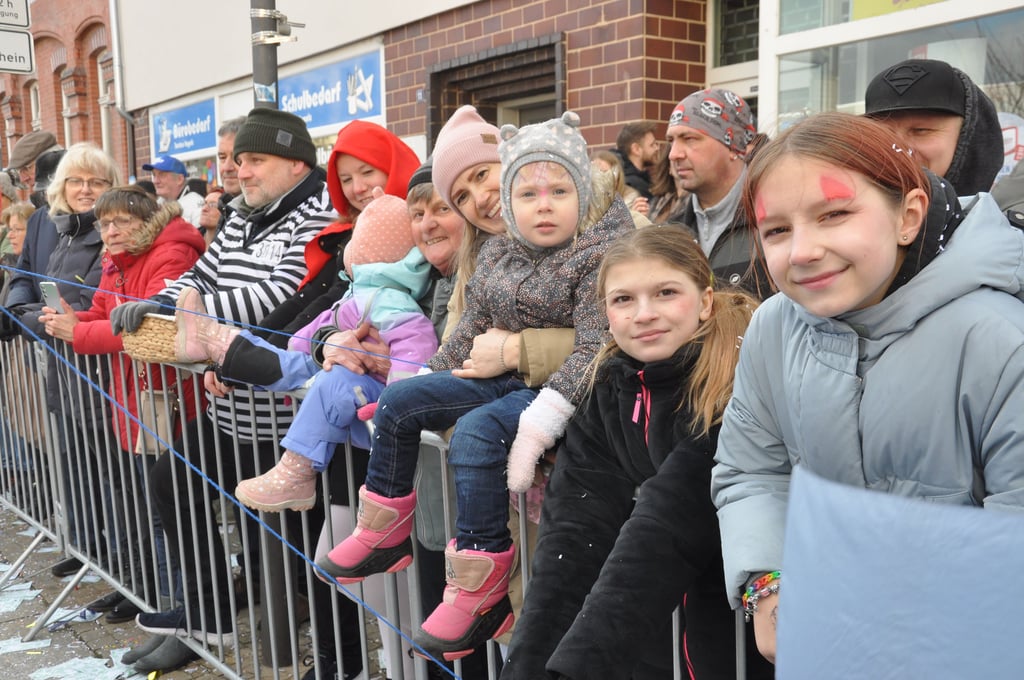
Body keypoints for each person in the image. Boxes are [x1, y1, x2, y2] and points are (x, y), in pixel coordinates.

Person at [710, 112, 1024, 664]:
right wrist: (768, 584)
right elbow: (751, 470)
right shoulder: (774, 327)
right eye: (777, 230)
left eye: (834, 215)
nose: (802, 250)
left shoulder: (1000, 340)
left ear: (908, 216)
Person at [318, 111, 634, 660]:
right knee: (399, 400)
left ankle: (481, 583)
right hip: (504, 386)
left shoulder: (605, 247)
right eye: (463, 194)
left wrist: (532, 397)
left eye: (483, 177)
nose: (479, 199)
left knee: (477, 436)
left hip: (564, 403)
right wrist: (418, 391)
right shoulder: (496, 252)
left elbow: (600, 343)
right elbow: (465, 332)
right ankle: (384, 529)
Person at [108, 107, 335, 658]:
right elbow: (202, 275)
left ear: (295, 161)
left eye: (255, 160)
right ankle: (209, 619)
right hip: (229, 406)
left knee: (286, 541)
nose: (242, 171)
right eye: (238, 161)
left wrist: (189, 315)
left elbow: (278, 294)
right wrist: (162, 303)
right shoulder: (240, 214)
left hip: (285, 417)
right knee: (171, 482)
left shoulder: (318, 214)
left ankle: (308, 641)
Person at [501, 226, 771, 680]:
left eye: (666, 292)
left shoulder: (738, 385)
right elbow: (572, 535)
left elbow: (668, 522)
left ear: (705, 300)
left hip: (738, 645)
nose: (644, 314)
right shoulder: (607, 389)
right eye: (623, 299)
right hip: (646, 644)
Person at [171, 190, 438, 511]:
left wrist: (394, 406)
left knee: (332, 379)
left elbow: (413, 351)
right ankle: (219, 342)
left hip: (376, 404)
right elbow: (313, 329)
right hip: (355, 386)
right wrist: (315, 344)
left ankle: (298, 470)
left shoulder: (392, 302)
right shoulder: (360, 293)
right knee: (294, 363)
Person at [39, 186, 205, 646]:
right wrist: (74, 317)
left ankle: (187, 610)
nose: (109, 231)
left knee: (170, 512)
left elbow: (149, 328)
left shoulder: (169, 254)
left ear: (145, 222)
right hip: (132, 400)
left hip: (169, 403)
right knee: (149, 507)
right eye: (103, 223)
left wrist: (82, 332)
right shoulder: (121, 259)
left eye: (119, 222)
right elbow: (106, 312)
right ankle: (164, 603)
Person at [20, 143, 120, 579]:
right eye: (77, 181)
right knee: (78, 466)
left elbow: (86, 305)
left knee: (113, 479)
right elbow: (43, 291)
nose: (85, 190)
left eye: (96, 182)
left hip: (98, 374)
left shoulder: (108, 234)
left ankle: (121, 567)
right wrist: (35, 317)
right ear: (61, 187)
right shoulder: (64, 231)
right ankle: (91, 552)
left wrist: (53, 318)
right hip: (65, 369)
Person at [666, 88, 767, 295]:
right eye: (671, 141)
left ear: (733, 147)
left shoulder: (773, 221)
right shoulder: (670, 232)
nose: (674, 154)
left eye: (689, 139)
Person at [864, 58, 1003, 197]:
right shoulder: (850, 212)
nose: (897, 148)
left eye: (920, 131)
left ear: (970, 138)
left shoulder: (996, 217)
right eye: (883, 133)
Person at [141, 154, 205, 227]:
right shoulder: (157, 204)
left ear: (179, 179)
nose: (156, 181)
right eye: (154, 175)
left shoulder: (195, 204)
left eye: (162, 175)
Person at [612, 121, 660, 201]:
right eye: (652, 145)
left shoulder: (619, 179)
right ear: (636, 149)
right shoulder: (634, 186)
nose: (657, 148)